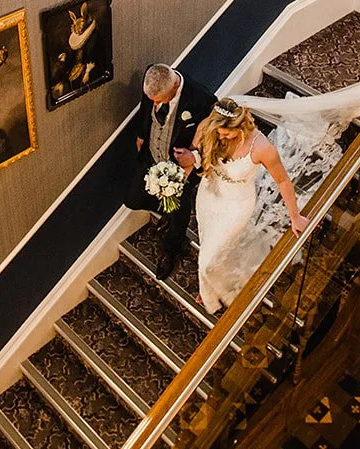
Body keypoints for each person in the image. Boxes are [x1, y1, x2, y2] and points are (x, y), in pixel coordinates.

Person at [191, 100, 304, 313]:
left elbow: (282, 181)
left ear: (242, 126)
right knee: (207, 243)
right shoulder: (210, 127)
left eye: (227, 134)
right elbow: (197, 154)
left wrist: (295, 216)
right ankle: (209, 287)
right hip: (209, 194)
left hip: (236, 206)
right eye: (219, 134)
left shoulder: (262, 148)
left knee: (207, 259)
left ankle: (209, 292)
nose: (222, 138)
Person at [127, 63, 216, 279]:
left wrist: (193, 158)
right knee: (133, 200)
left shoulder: (202, 100)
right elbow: (145, 108)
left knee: (178, 214)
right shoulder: (154, 76)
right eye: (153, 100)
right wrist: (141, 135)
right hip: (151, 157)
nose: (156, 104)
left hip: (180, 169)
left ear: (175, 85)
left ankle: (172, 249)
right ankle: (165, 210)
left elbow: (213, 141)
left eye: (161, 100)